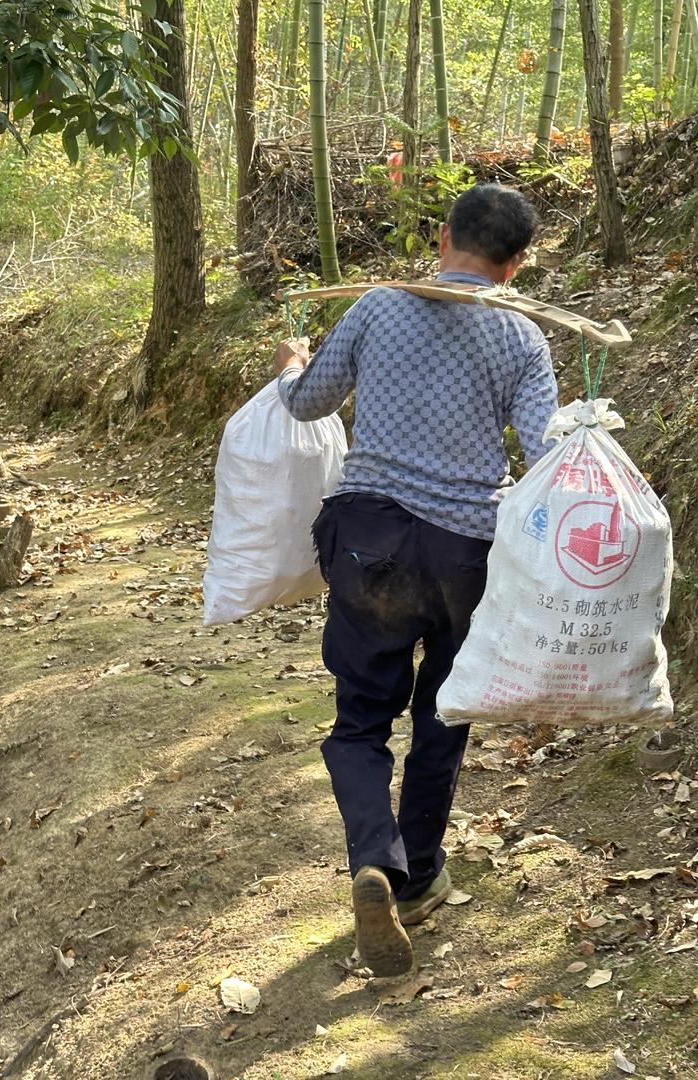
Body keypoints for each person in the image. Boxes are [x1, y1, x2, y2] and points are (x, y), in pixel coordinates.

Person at [274, 182, 559, 978]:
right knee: (445, 710)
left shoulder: (378, 306)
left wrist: (293, 365)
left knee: (361, 718)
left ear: (443, 238)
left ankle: (375, 857)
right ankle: (421, 874)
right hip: (464, 551)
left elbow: (307, 405)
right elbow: (545, 449)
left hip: (368, 540)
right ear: (517, 264)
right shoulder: (523, 336)